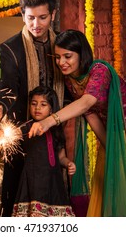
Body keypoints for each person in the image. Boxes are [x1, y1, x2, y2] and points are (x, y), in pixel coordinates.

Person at [28, 29, 126, 217]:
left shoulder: (100, 70)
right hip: (112, 135)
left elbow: (87, 102)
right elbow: (90, 115)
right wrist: (111, 147)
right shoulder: (71, 80)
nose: (61, 63)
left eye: (67, 56)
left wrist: (49, 121)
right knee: (109, 183)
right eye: (57, 57)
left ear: (82, 55)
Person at [0, 0, 65, 217]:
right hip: (24, 134)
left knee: (57, 191)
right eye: (30, 18)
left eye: (42, 17)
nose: (36, 24)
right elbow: (9, 86)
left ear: (52, 15)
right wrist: (0, 106)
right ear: (22, 16)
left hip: (59, 129)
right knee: (18, 196)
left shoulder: (63, 44)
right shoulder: (10, 48)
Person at [12, 86, 75, 217]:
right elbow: (12, 137)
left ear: (51, 108)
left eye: (43, 104)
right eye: (34, 104)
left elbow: (61, 157)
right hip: (32, 180)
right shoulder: (26, 128)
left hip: (54, 182)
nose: (37, 108)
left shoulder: (57, 130)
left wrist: (69, 164)